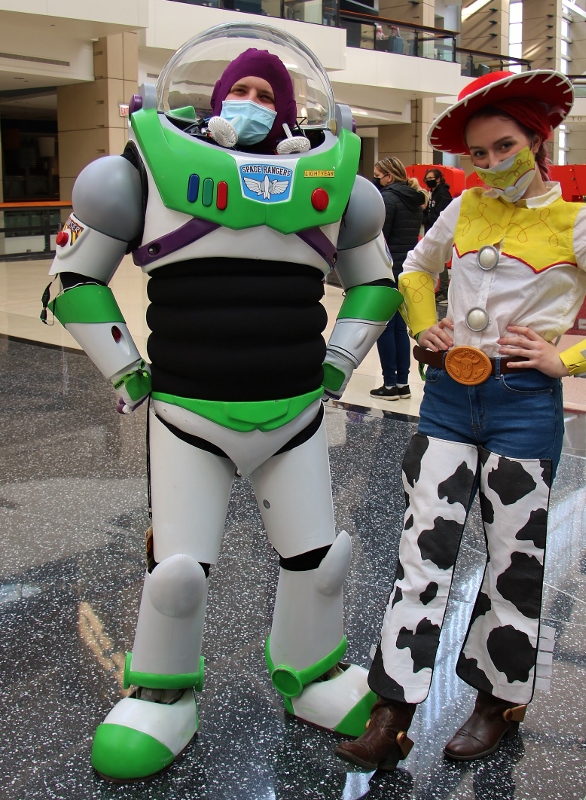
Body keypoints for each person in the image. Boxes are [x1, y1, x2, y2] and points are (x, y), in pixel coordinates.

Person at [42, 23, 402, 782]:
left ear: (290, 109)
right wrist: (124, 370)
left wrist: (339, 364)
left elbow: (375, 282)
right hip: (188, 414)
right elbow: (75, 280)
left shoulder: (337, 186)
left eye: (266, 94)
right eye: (238, 90)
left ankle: (313, 672)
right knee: (177, 571)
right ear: (211, 100)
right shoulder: (138, 173)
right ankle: (163, 692)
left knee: (319, 562)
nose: (249, 102)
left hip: (296, 414)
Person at [335, 69, 586, 770]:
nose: (489, 165)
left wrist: (568, 359)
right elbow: (413, 272)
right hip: (450, 402)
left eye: (503, 147)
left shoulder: (579, 224)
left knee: (514, 562)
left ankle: (499, 700)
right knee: (421, 552)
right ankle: (393, 708)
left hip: (523, 407)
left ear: (538, 141)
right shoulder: (461, 210)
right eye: (478, 155)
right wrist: (427, 328)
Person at [370, 156, 426, 401]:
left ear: (389, 176)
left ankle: (389, 384)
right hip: (407, 270)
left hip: (386, 269)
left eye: (378, 176)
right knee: (400, 329)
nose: (376, 180)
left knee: (385, 328)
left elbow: (380, 239)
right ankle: (403, 383)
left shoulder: (387, 199)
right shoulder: (414, 200)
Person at [422, 168, 453, 304]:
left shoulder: (443, 194)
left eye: (431, 178)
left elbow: (440, 214)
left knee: (442, 261)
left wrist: (428, 219)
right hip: (432, 230)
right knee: (436, 259)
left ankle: (444, 290)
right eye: (427, 178)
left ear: (439, 179)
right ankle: (441, 289)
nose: (429, 181)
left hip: (441, 232)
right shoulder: (433, 193)